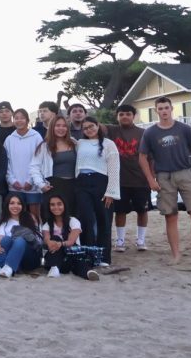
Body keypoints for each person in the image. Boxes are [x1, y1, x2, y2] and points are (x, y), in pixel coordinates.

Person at [73, 118, 120, 266]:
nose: (89, 130)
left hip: (101, 182)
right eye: (85, 128)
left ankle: (104, 257)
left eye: (91, 126)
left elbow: (114, 168)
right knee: (85, 219)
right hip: (82, 183)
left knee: (103, 219)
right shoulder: (79, 143)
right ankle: (88, 254)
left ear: (98, 126)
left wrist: (111, 191)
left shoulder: (108, 144)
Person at [108, 104, 151, 252]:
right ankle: (120, 241)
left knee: (142, 210)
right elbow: (93, 125)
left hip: (141, 179)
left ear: (134, 116)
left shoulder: (144, 133)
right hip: (119, 180)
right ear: (117, 116)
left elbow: (151, 157)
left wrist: (152, 177)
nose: (124, 116)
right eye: (121, 114)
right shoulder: (112, 130)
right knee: (120, 211)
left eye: (128, 114)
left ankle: (141, 240)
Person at [41, 195, 100, 281]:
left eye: (59, 204)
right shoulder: (47, 225)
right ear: (49, 207)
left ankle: (88, 273)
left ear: (64, 205)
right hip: (55, 257)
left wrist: (60, 244)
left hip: (71, 254)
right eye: (52, 205)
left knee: (78, 262)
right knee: (55, 238)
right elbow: (46, 239)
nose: (56, 207)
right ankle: (54, 268)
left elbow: (71, 241)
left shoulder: (73, 221)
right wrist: (50, 242)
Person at [0, 193, 42, 278]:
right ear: (7, 205)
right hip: (13, 256)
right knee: (5, 239)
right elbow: (0, 238)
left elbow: (38, 241)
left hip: (30, 257)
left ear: (23, 205)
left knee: (20, 240)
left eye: (19, 203)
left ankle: (9, 267)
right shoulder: (5, 222)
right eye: (12, 203)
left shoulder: (30, 217)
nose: (15, 206)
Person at [30, 116, 77, 215]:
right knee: (53, 220)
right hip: (54, 186)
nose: (61, 128)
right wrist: (41, 184)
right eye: (58, 125)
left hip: (73, 186)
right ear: (52, 127)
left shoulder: (74, 143)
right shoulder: (44, 146)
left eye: (64, 126)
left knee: (73, 218)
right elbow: (34, 167)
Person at [3, 108, 44, 220]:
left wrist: (31, 180)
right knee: (16, 216)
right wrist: (12, 180)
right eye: (16, 118)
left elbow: (40, 160)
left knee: (34, 216)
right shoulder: (9, 139)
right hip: (14, 186)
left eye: (22, 118)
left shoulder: (36, 137)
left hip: (33, 185)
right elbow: (6, 162)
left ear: (27, 120)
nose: (19, 120)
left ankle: (36, 236)